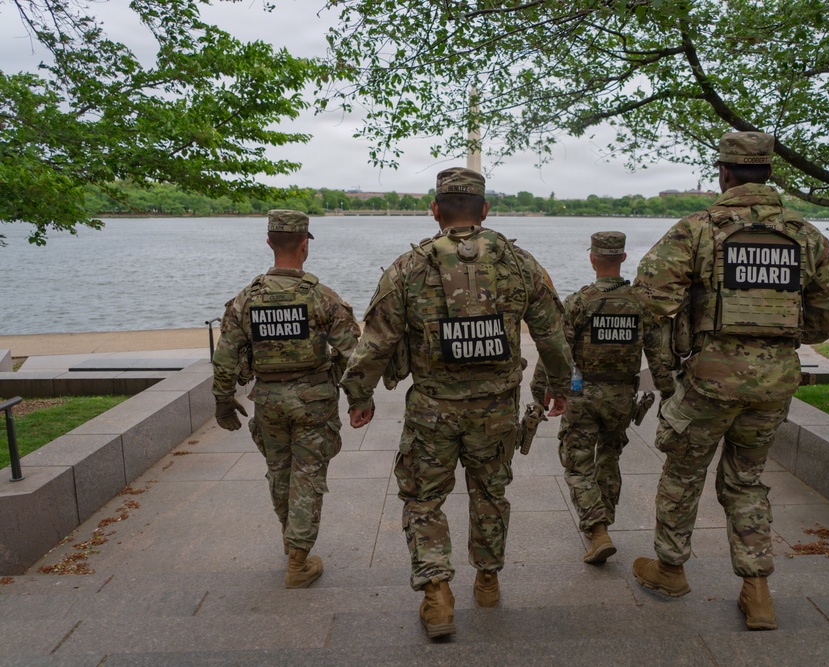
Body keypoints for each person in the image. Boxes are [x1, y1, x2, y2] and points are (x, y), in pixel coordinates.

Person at [631, 132, 829, 630]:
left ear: (724, 174)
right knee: (746, 480)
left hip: (711, 379)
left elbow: (649, 296)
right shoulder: (806, 234)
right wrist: (781, 340)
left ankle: (670, 570)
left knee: (684, 474)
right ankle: (757, 591)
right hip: (774, 383)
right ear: (769, 174)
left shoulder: (698, 230)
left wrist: (689, 324)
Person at [340, 167, 573, 639]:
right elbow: (552, 334)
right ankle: (487, 580)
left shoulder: (408, 268)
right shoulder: (520, 264)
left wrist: (359, 394)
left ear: (435, 211)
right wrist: (559, 385)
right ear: (485, 211)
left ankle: (437, 595)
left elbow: (376, 342)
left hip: (433, 410)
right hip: (496, 409)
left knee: (423, 499)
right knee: (490, 492)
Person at [211, 209, 361, 589]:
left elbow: (225, 357)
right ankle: (297, 561)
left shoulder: (247, 299)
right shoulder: (322, 298)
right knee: (307, 477)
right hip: (314, 402)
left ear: (268, 242)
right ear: (305, 244)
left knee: (280, 472)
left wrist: (223, 403)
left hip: (269, 402)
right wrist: (360, 398)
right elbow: (351, 354)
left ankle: (291, 542)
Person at [530, 231, 674, 564]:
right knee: (609, 458)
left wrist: (544, 390)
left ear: (592, 258)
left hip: (582, 394)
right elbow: (659, 358)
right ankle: (603, 521)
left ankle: (597, 530)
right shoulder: (641, 304)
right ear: (623, 259)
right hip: (622, 395)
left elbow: (556, 351)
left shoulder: (579, 302)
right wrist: (668, 394)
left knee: (578, 464)